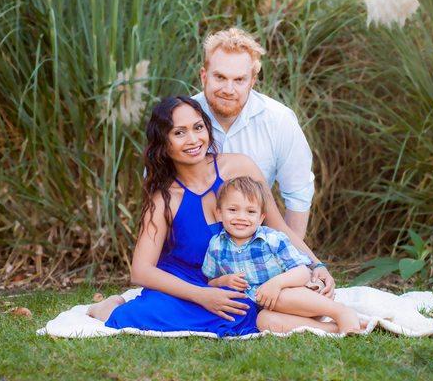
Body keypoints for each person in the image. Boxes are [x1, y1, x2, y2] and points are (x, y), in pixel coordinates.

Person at [87, 96, 339, 335]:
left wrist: (316, 265)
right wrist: (202, 295)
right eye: (179, 132)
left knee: (253, 302)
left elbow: (277, 225)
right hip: (186, 283)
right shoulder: (165, 198)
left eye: (198, 127)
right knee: (146, 314)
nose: (193, 139)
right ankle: (109, 306)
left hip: (239, 277)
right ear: (163, 143)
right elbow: (140, 271)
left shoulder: (240, 167)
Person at [192, 28, 313, 241]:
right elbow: (158, 188)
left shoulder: (279, 120)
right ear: (204, 76)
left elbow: (298, 194)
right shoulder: (181, 118)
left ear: (252, 81)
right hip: (191, 240)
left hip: (253, 240)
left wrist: (290, 257)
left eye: (239, 80)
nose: (228, 89)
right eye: (220, 77)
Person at [203, 177, 362, 334]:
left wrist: (276, 284)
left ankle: (341, 312)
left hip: (305, 299)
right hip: (272, 308)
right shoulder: (216, 246)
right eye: (232, 210)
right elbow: (210, 282)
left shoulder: (272, 239)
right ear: (219, 213)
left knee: (281, 296)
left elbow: (303, 272)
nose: (241, 217)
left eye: (250, 211)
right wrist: (223, 281)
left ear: (261, 217)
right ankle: (331, 329)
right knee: (264, 321)